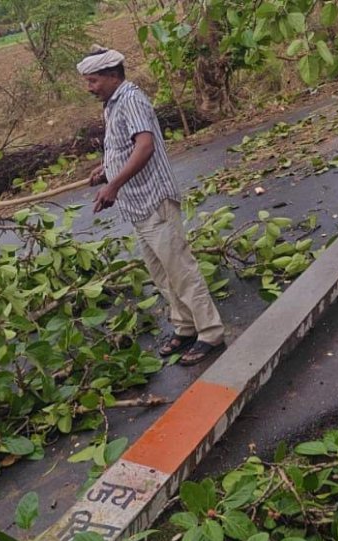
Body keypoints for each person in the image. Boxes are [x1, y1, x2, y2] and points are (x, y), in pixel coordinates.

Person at [77, 48, 226, 366]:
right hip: (138, 206)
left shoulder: (131, 99)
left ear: (112, 76)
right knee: (161, 274)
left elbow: (145, 146)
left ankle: (210, 333)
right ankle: (185, 327)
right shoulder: (113, 104)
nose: (89, 87)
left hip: (154, 200)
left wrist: (113, 185)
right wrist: (106, 168)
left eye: (93, 81)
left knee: (181, 271)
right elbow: (125, 145)